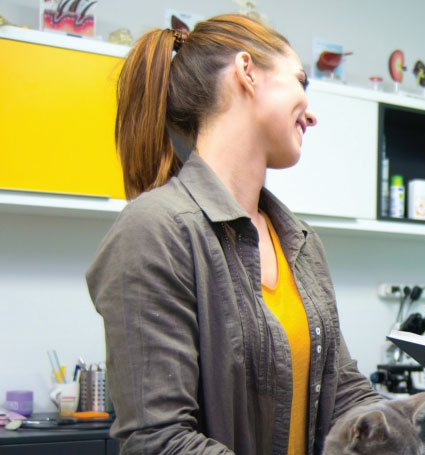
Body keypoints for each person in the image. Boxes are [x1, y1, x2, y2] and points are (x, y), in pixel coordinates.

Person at [85, 14, 382, 454]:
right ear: (247, 72)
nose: (312, 113)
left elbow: (342, 391)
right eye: (301, 81)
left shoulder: (299, 241)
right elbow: (160, 441)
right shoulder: (155, 230)